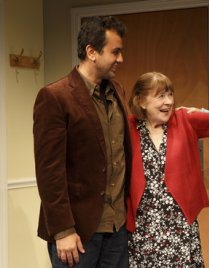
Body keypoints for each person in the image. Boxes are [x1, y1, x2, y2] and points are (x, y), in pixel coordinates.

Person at [126, 71, 209, 267]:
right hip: (143, 227)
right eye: (160, 96)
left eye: (170, 94)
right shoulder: (127, 127)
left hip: (179, 224)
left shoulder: (184, 119)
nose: (169, 101)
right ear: (141, 101)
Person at [33, 16, 131, 268]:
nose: (120, 59)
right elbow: (49, 172)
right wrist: (63, 230)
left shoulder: (117, 91)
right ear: (92, 52)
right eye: (115, 52)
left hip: (117, 228)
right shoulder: (55, 97)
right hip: (77, 233)